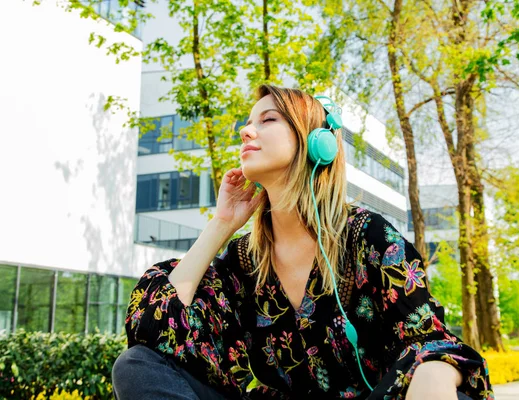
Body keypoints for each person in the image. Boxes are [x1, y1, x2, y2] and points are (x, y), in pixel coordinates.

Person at [112, 85, 494, 400]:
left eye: (268, 120)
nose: (246, 132)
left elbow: (429, 344)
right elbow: (156, 325)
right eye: (247, 124)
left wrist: (431, 372)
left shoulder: (369, 237)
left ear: (315, 143)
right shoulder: (243, 261)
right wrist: (221, 224)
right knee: (137, 364)